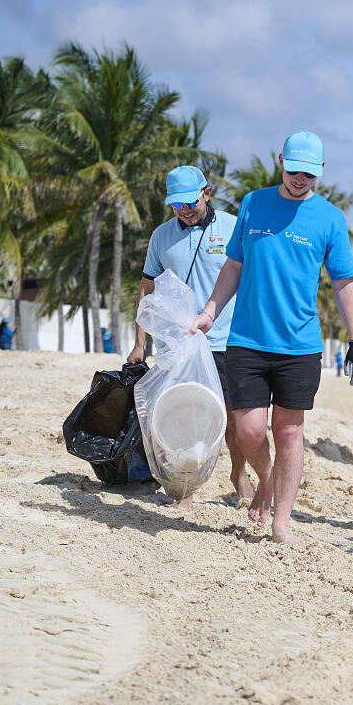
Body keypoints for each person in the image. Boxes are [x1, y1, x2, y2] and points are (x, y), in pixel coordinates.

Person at [192, 131, 353, 549]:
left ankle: (282, 524)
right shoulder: (253, 203)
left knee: (289, 431)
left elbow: (344, 285)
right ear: (280, 162)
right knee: (250, 430)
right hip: (248, 339)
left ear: (321, 171)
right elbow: (233, 266)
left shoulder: (329, 219)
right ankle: (268, 480)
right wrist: (209, 312)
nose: (300, 179)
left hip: (300, 346)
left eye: (309, 173)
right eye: (293, 171)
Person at [126, 165, 250, 506]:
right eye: (176, 204)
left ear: (206, 193)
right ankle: (184, 489)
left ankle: (238, 475)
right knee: (180, 417)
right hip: (176, 346)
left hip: (225, 340)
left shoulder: (232, 227)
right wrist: (140, 344)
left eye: (190, 202)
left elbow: (250, 279)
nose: (183, 210)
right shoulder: (161, 237)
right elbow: (147, 290)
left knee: (232, 419)